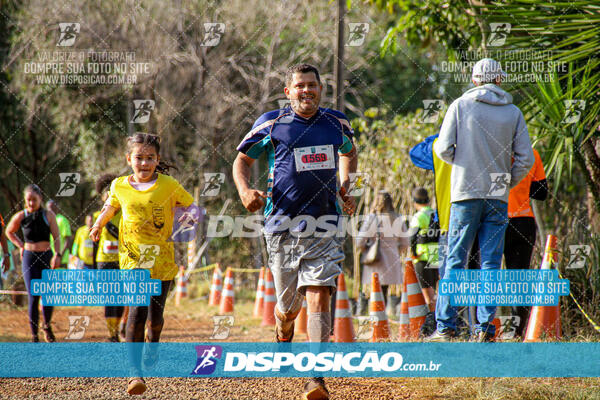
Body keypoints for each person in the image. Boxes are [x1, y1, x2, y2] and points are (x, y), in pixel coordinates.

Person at [233, 64, 356, 400]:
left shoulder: (336, 122)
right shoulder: (272, 123)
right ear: (288, 92)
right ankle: (282, 331)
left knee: (319, 292)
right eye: (300, 86)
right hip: (281, 225)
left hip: (325, 222)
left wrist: (346, 185)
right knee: (289, 306)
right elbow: (241, 160)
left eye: (313, 85)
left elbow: (349, 152)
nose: (307, 91)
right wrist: (245, 192)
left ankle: (316, 377)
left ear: (321, 89)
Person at [427, 58, 534, 342]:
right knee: (490, 263)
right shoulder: (513, 112)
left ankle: (446, 327)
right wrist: (506, 179)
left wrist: (463, 163)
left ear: (474, 80)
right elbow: (526, 159)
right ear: (499, 80)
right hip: (497, 197)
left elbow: (442, 148)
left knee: (456, 259)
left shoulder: (460, 107)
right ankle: (485, 329)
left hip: (465, 194)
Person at [90, 133, 195, 395]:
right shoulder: (119, 185)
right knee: (137, 311)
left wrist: (188, 221)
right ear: (129, 159)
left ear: (157, 159)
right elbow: (109, 207)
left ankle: (154, 342)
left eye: (150, 158)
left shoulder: (169, 185)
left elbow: (192, 208)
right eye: (139, 158)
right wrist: (97, 225)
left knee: (155, 316)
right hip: (133, 260)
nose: (144, 163)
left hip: (162, 261)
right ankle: (134, 373)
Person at [5, 184, 62, 342]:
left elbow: (57, 237)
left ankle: (47, 326)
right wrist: (20, 245)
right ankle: (34, 335)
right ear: (25, 200)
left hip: (46, 257)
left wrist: (57, 255)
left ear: (40, 199)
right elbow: (8, 231)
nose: (31, 203)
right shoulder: (21, 216)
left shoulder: (48, 215)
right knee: (33, 296)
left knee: (48, 295)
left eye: (34, 200)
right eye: (28, 200)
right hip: (29, 258)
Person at [504, 148, 547, 338]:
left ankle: (485, 329)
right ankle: (516, 332)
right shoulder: (532, 154)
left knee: (487, 273)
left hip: (494, 222)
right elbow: (541, 192)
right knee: (519, 279)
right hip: (524, 221)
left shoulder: (491, 149)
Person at [357, 191, 408, 306]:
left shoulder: (372, 218)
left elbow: (360, 241)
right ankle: (383, 316)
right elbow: (405, 243)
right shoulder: (397, 218)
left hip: (375, 257)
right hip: (392, 257)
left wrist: (366, 250)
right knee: (384, 289)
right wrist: (396, 250)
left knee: (375, 288)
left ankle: (375, 317)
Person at [93, 174, 126, 342]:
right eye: (106, 196)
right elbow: (94, 242)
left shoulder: (125, 214)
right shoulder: (97, 216)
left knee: (120, 297)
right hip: (104, 261)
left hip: (122, 260)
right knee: (109, 298)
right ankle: (111, 334)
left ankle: (119, 328)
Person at [409, 188, 439, 311]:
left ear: (415, 201)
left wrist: (414, 253)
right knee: (436, 290)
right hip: (437, 255)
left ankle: (434, 321)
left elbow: (412, 237)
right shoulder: (436, 214)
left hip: (423, 257)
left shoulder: (419, 216)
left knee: (428, 294)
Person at [47, 200, 72, 268]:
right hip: (49, 259)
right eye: (49, 208)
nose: (50, 210)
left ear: (57, 208)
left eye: (52, 207)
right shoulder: (46, 221)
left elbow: (68, 240)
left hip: (61, 260)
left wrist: (59, 256)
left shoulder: (62, 220)